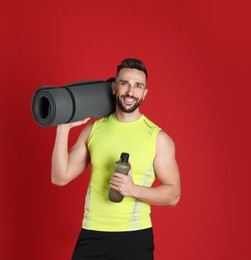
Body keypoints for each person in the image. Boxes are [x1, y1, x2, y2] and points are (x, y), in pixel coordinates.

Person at [51, 58, 181, 260]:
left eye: (138, 86)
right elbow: (60, 177)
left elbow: (173, 195)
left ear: (145, 93)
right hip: (92, 233)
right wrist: (63, 129)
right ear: (114, 87)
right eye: (124, 83)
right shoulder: (94, 130)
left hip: (135, 239)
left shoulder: (158, 138)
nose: (130, 92)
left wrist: (132, 190)